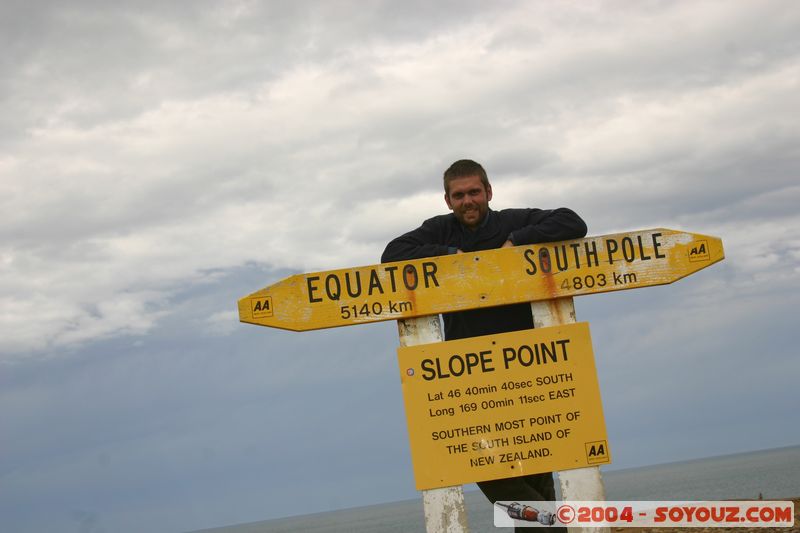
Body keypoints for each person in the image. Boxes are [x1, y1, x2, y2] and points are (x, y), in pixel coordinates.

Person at [381, 159, 586, 530]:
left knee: (538, 466)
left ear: (488, 192)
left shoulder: (514, 221)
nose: (467, 201)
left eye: (474, 192)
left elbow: (573, 222)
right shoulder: (440, 230)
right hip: (472, 375)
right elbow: (392, 253)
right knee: (485, 465)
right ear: (447, 200)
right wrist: (447, 257)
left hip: (529, 369)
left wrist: (516, 243)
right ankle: (551, 525)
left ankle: (545, 524)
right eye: (458, 195)